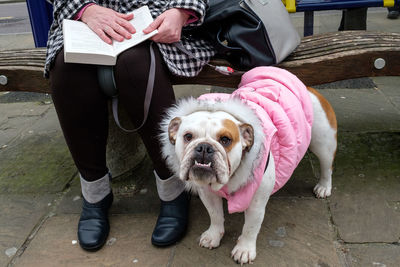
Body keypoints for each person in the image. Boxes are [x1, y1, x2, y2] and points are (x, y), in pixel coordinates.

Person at [45, 0, 216, 251]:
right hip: (82, 19)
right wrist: (86, 10)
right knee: (68, 69)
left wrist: (181, 12)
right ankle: (95, 193)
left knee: (135, 64)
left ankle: (173, 187)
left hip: (154, 19)